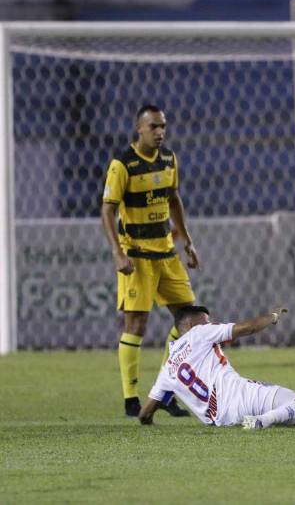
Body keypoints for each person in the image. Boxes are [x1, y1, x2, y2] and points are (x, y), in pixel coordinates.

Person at [138, 305, 295, 428]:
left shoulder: (168, 367)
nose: (211, 323)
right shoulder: (200, 333)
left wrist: (150, 422)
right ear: (192, 326)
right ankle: (262, 421)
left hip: (221, 420)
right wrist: (273, 316)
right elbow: (246, 329)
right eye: (206, 320)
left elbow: (145, 414)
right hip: (239, 396)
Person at [101, 105, 200, 418]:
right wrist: (118, 252)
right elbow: (107, 210)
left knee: (190, 321)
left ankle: (166, 392)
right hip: (137, 256)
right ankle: (131, 399)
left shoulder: (170, 159)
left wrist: (188, 241)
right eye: (154, 126)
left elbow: (174, 199)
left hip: (167, 253)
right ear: (139, 129)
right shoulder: (123, 165)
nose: (160, 132)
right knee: (137, 324)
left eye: (163, 127)